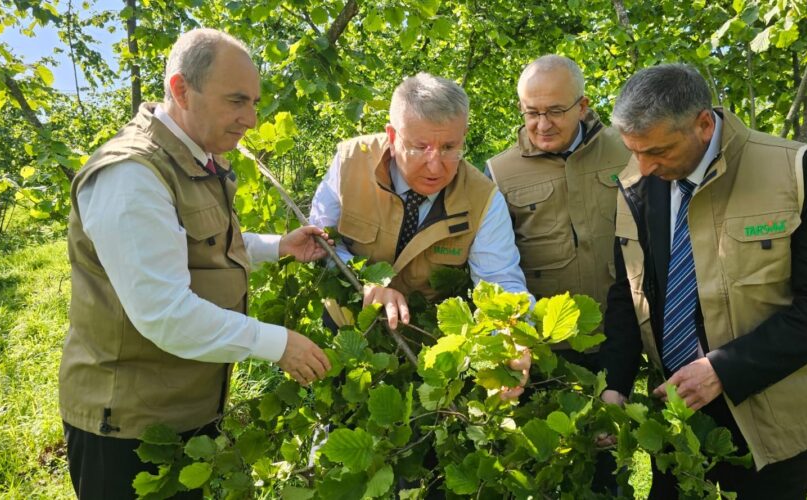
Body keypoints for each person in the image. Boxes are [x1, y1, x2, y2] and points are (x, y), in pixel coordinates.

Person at [60, 28, 332, 498]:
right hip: (128, 428)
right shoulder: (132, 175)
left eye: (254, 102)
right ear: (181, 89)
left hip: (184, 406)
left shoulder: (194, 156)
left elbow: (193, 242)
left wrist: (277, 246)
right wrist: (277, 343)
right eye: (236, 101)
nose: (250, 118)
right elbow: (164, 314)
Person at [600, 63, 807, 498]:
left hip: (773, 415)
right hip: (675, 411)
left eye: (658, 151)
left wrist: (723, 369)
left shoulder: (795, 169)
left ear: (704, 124)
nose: (643, 167)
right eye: (634, 151)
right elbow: (629, 292)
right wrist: (615, 384)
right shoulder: (638, 182)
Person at [309, 72, 531, 397]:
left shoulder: (484, 199)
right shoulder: (349, 161)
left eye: (449, 147)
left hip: (429, 349)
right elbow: (320, 244)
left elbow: (501, 282)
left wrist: (509, 336)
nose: (435, 165)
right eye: (419, 147)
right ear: (392, 135)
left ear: (464, 135)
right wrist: (368, 285)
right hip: (346, 329)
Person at [485, 53, 631, 495]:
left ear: (583, 106)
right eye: (532, 112)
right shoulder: (498, 171)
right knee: (542, 471)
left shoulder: (627, 152)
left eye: (555, 111)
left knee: (607, 465)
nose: (542, 124)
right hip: (542, 351)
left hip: (617, 338)